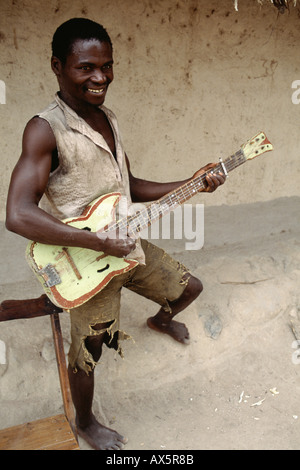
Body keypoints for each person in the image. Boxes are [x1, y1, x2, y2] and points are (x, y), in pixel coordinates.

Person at [5, 18, 226, 450]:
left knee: (189, 289)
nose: (101, 77)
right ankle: (85, 422)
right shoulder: (44, 129)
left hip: (125, 245)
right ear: (57, 66)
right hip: (86, 261)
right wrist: (99, 241)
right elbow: (17, 214)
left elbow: (130, 185)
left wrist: (193, 181)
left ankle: (159, 320)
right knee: (89, 351)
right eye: (86, 67)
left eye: (107, 66)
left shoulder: (107, 117)